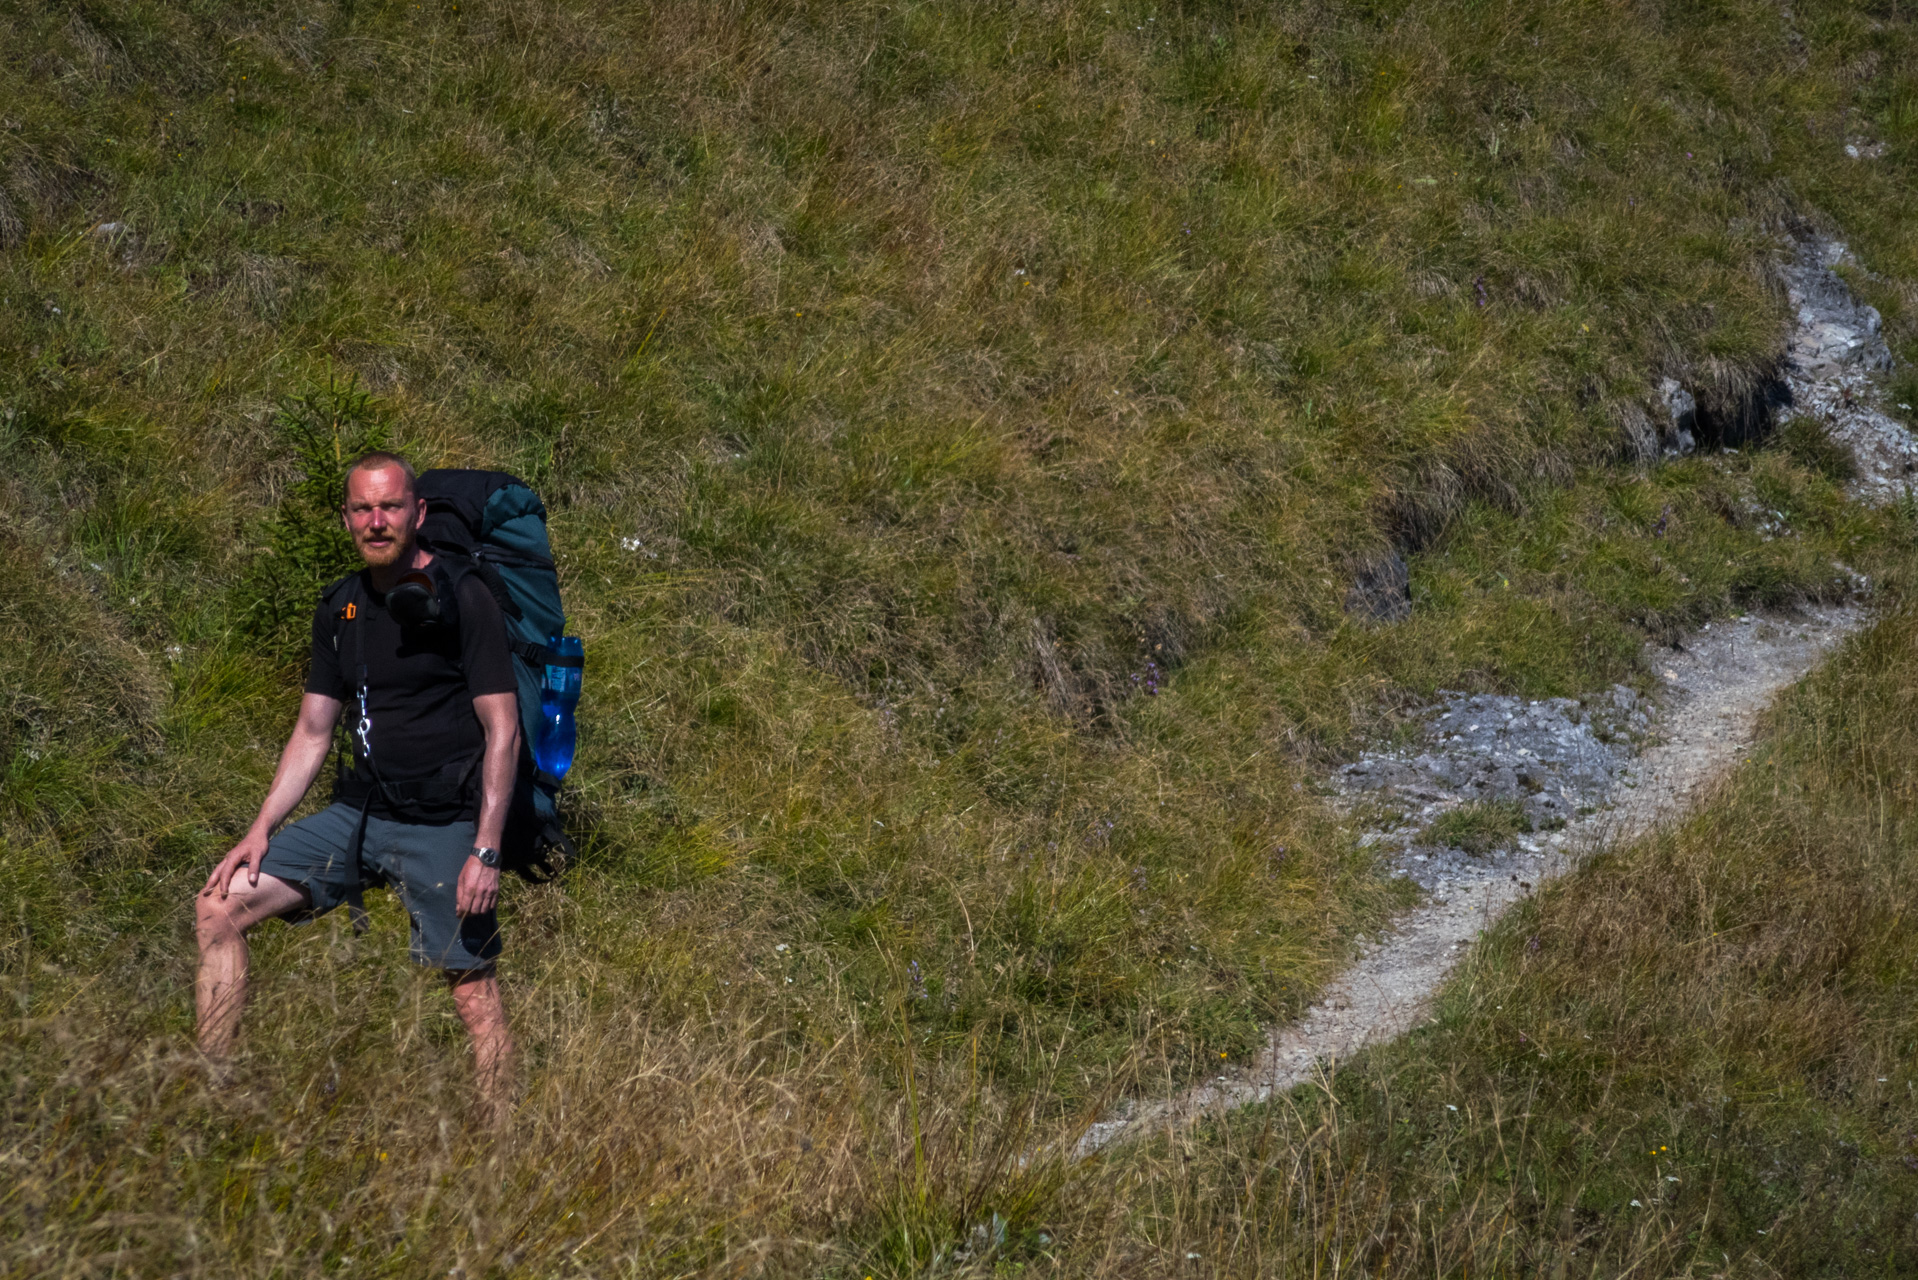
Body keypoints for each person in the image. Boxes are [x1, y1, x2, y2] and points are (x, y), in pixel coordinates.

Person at [196, 452, 520, 1116]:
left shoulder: (466, 596)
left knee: (471, 994)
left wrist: (485, 850)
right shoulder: (340, 605)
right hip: (360, 814)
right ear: (345, 519)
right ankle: (212, 1097)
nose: (378, 521)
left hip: (444, 823)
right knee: (219, 905)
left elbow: (503, 730)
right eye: (363, 509)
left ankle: (504, 1145)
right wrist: (260, 830)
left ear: (418, 514)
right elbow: (313, 731)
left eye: (391, 507)